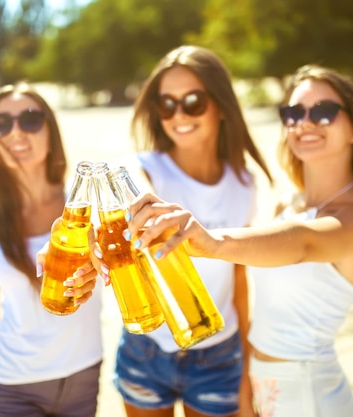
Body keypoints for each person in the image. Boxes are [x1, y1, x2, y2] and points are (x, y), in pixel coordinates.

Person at [124, 64, 353, 417]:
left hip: (310, 394)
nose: (306, 122)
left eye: (324, 111)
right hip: (262, 385)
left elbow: (302, 244)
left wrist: (214, 243)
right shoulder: (289, 204)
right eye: (294, 112)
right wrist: (245, 381)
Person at [114, 45, 272, 417]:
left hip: (220, 352)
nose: (178, 115)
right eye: (166, 104)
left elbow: (239, 276)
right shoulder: (146, 171)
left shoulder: (244, 182)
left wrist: (248, 364)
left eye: (193, 101)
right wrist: (136, 198)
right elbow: (130, 183)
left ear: (220, 105)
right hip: (146, 351)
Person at [0, 82, 105, 417]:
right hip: (9, 386)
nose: (15, 132)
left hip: (84, 378)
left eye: (29, 119)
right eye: (0, 123)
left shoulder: (89, 208)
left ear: (50, 130)